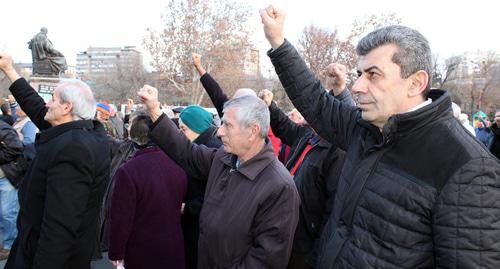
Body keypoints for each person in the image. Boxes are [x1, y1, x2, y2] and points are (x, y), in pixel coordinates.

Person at [260, 5, 500, 268]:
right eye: (360, 74)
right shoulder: (366, 128)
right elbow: (316, 103)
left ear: (416, 83)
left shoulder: (468, 168)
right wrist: (278, 42)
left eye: (373, 74)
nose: (357, 86)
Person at [138, 85, 300, 268]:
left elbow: (265, 261)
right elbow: (187, 152)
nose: (219, 131)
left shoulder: (279, 186)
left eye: (227, 125)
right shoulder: (224, 158)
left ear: (253, 131)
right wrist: (154, 111)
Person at [0, 52, 111, 269]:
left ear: (67, 107)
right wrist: (9, 70)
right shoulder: (81, 130)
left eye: (52, 99)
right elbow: (36, 107)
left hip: (46, 256)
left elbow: (60, 227)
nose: (47, 104)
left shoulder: (74, 150)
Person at [259, 63, 355, 269]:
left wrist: (316, 255)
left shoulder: (337, 151)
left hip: (305, 242)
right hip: (287, 228)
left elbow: (333, 211)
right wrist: (271, 106)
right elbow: (285, 128)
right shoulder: (309, 136)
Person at [108, 111, 187, 269]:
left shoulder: (129, 171)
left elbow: (121, 218)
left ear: (133, 135)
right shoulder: (178, 164)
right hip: (174, 247)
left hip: (142, 251)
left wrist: (116, 252)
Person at [192, 53, 283, 157]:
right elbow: (216, 93)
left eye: (237, 102)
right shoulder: (231, 114)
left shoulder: (268, 136)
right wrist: (199, 68)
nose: (220, 132)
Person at [177, 105, 222, 269]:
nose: (180, 134)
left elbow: (216, 195)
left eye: (183, 129)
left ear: (197, 126)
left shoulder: (210, 149)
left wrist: (187, 207)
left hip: (200, 227)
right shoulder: (200, 145)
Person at [0, 119, 23, 260]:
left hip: (6, 177)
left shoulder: (2, 127)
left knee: (8, 213)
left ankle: (9, 247)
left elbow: (16, 147)